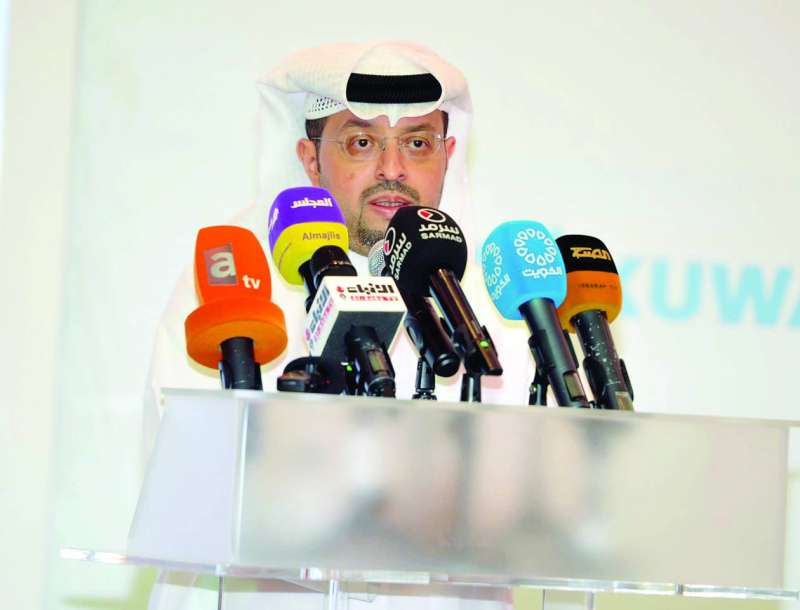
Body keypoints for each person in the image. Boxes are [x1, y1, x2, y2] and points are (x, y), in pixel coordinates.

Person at [144, 41, 532, 610]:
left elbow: (532, 506)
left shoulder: (491, 300)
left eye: (417, 143)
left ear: (448, 154)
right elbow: (186, 478)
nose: (393, 169)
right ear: (310, 158)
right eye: (361, 142)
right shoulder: (234, 275)